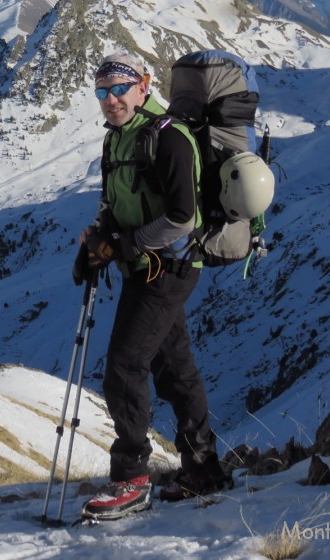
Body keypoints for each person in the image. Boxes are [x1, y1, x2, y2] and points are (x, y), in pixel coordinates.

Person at [75, 51, 232, 520]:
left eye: (119, 88)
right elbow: (112, 202)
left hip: (170, 267)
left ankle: (130, 480)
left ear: (144, 86)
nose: (110, 99)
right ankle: (203, 467)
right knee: (172, 367)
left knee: (125, 366)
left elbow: (184, 218)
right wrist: (96, 243)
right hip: (145, 267)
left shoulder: (170, 140)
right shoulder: (116, 141)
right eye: (102, 91)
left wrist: (127, 244)